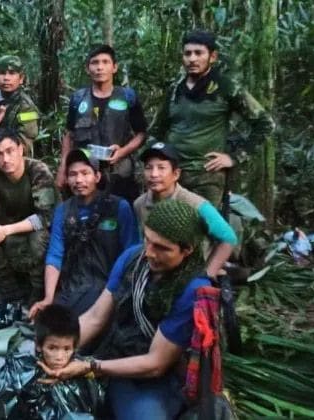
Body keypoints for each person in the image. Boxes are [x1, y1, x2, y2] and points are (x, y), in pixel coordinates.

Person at [39, 200, 212, 419]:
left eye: (161, 247)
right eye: (148, 240)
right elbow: (95, 318)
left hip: (155, 377)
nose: (149, 252)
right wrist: (56, 348)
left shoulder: (192, 291)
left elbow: (156, 364)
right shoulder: (132, 258)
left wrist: (90, 366)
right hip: (115, 351)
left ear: (187, 250)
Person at [151, 30, 275, 207]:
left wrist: (234, 157)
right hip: (172, 176)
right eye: (187, 54)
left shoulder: (226, 87)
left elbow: (265, 124)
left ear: (213, 56)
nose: (192, 59)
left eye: (198, 53)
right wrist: (155, 164)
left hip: (206, 177)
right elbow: (156, 130)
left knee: (203, 230)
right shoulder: (175, 89)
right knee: (167, 229)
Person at [29, 149, 138, 318]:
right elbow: (55, 255)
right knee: (46, 321)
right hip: (72, 285)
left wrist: (120, 291)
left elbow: (131, 253)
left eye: (85, 173)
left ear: (97, 176)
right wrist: (48, 298)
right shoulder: (63, 211)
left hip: (108, 286)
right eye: (72, 174)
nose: (79, 180)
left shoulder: (118, 207)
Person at [0, 128, 57, 304]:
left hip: (35, 227)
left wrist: (5, 230)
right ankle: (8, 287)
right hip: (7, 224)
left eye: (10, 151)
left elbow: (45, 217)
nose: (5, 159)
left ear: (20, 149)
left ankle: (38, 290)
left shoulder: (38, 171)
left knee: (39, 238)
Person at [56, 45, 148, 202]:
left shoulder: (127, 97)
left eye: (105, 62)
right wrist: (63, 167)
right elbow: (69, 135)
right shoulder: (78, 99)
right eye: (95, 62)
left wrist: (123, 151)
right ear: (87, 68)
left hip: (119, 173)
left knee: (120, 216)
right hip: (85, 175)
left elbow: (142, 134)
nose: (100, 67)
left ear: (114, 67)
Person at [134, 142, 238, 278]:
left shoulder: (195, 204)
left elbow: (228, 238)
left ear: (176, 174)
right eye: (149, 168)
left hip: (189, 274)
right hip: (156, 270)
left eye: (161, 168)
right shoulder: (139, 204)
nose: (154, 174)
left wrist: (207, 274)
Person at [0, 304, 104, 419]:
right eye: (52, 348)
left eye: (67, 349)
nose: (59, 357)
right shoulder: (22, 371)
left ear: (75, 347)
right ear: (38, 345)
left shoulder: (83, 369)